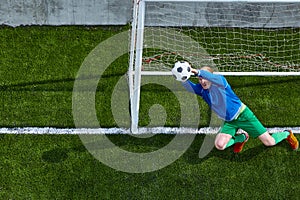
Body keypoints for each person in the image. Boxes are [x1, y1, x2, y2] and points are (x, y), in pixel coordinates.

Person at [179, 64, 298, 153]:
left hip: (243, 116)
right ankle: (242, 137)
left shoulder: (220, 82)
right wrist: (181, 78)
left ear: (210, 77)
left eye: (204, 78)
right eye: (200, 80)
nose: (202, 81)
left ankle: (286, 134)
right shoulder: (201, 89)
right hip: (229, 121)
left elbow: (208, 76)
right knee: (219, 145)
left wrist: (196, 71)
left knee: (269, 142)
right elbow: (191, 88)